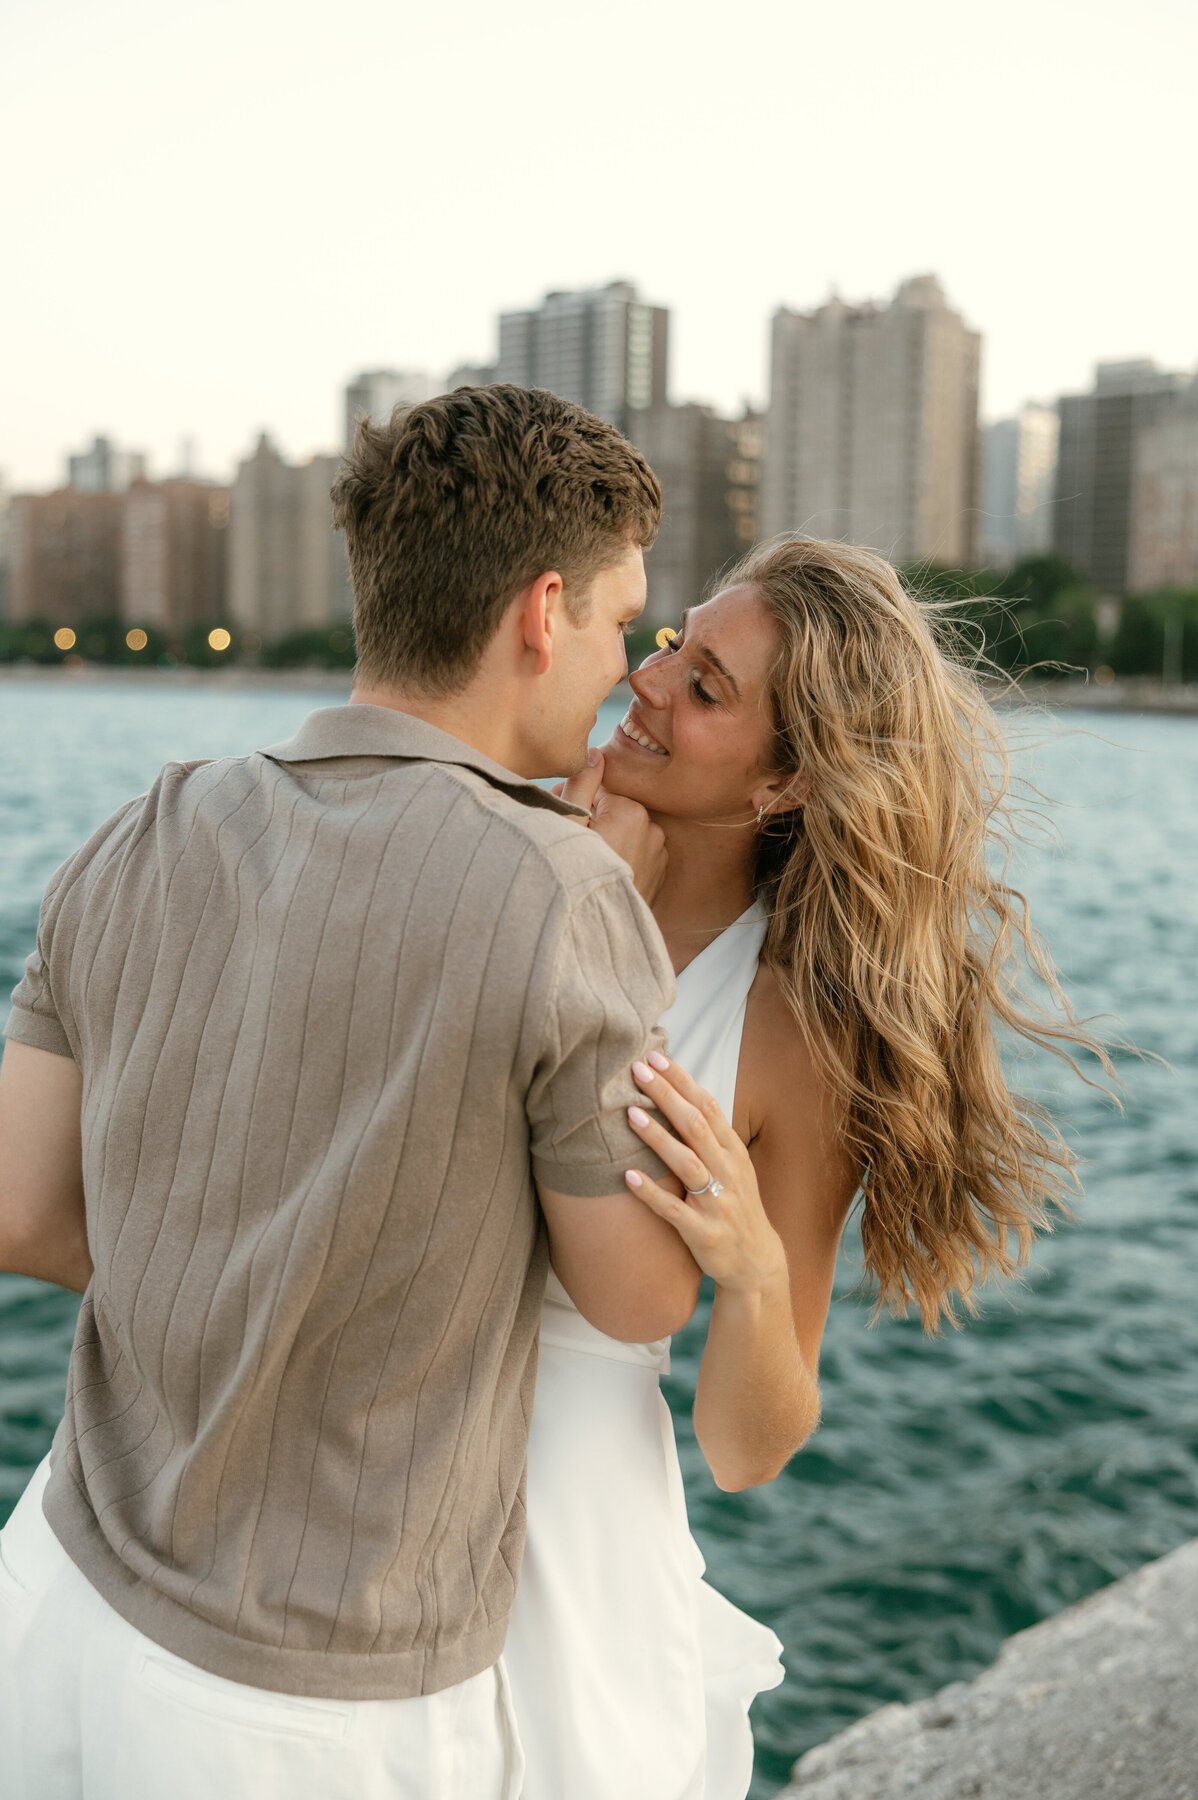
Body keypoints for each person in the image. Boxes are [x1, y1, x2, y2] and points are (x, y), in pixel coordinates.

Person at [0, 385, 704, 1800]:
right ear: (540, 609)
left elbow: (18, 1213)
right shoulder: (560, 891)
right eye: (623, 621)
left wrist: (239, 1287)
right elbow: (637, 1298)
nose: (628, 666)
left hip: (59, 1600)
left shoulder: (141, 827)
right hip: (317, 1697)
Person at [503, 534, 1109, 1800]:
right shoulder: (513, 829)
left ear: (785, 783)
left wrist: (754, 1270)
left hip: (564, 1517)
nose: (652, 679)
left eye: (709, 685)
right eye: (673, 641)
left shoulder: (787, 1034)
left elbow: (746, 1448)